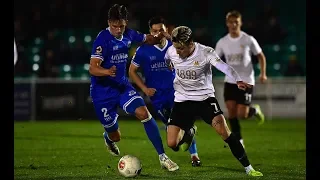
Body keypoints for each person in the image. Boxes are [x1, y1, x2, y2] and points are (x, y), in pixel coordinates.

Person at [89, 4, 178, 171]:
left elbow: (149, 39)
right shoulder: (102, 39)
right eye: (114, 26)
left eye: (121, 26)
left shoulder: (129, 34)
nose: (118, 30)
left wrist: (161, 37)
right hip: (102, 92)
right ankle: (108, 138)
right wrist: (107, 71)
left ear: (126, 23)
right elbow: (93, 68)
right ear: (109, 23)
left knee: (144, 113)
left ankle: (162, 157)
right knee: (116, 136)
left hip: (122, 86)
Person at [165, 26, 263, 176]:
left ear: (191, 43)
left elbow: (224, 67)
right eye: (176, 48)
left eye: (181, 48)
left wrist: (237, 80)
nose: (177, 52)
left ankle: (249, 168)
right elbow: (167, 59)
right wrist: (169, 65)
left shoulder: (205, 52)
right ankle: (189, 132)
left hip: (204, 99)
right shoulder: (172, 51)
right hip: (182, 100)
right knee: (172, 144)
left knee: (225, 132)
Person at [129, 16, 201, 167]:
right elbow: (132, 71)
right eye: (154, 31)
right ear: (150, 32)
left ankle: (194, 156)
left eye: (161, 30)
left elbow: (192, 59)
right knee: (173, 141)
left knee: (181, 123)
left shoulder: (175, 46)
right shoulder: (143, 50)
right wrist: (144, 89)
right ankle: (189, 132)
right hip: (158, 97)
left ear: (166, 30)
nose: (158, 34)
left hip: (177, 92)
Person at [215, 10, 267, 147]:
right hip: (231, 81)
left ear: (240, 23)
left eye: (236, 22)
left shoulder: (248, 39)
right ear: (227, 24)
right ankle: (239, 140)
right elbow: (215, 59)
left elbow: (260, 56)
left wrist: (263, 73)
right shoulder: (222, 42)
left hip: (246, 80)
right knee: (231, 110)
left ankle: (254, 110)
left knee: (242, 114)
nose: (233, 25)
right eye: (230, 22)